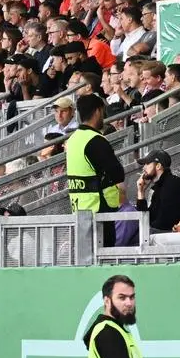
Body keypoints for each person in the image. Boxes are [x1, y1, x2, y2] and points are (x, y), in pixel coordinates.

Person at [65, 94, 126, 247]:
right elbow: (117, 173)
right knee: (103, 255)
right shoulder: (95, 139)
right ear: (98, 111)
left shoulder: (73, 139)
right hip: (99, 209)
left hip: (79, 208)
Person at [135, 150, 180, 233]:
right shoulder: (159, 186)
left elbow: (163, 223)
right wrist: (141, 192)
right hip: (162, 233)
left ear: (158, 166)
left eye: (147, 164)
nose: (144, 168)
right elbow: (147, 218)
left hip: (172, 235)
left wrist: (145, 231)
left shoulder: (172, 184)